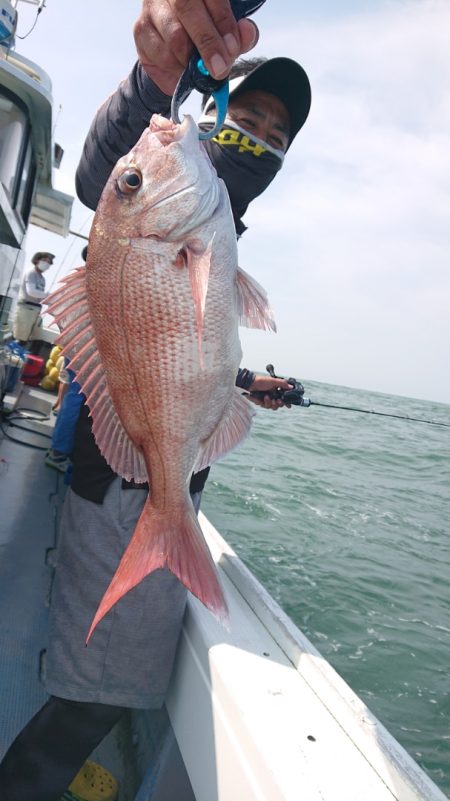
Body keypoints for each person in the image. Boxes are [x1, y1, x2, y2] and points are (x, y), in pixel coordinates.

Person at [0, 2, 311, 799]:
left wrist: (243, 385)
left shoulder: (215, 224)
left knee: (91, 692)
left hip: (145, 463)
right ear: (214, 112)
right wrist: (156, 76)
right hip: (127, 492)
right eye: (252, 115)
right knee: (85, 701)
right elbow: (106, 169)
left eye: (279, 131)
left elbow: (176, 348)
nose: (262, 137)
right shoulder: (165, 193)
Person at [12, 251, 54, 349]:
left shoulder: (42, 279)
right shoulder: (31, 272)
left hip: (35, 310)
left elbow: (40, 296)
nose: (47, 264)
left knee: (29, 339)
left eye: (49, 262)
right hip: (26, 308)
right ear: (36, 260)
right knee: (19, 338)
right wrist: (48, 295)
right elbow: (31, 292)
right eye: (44, 260)